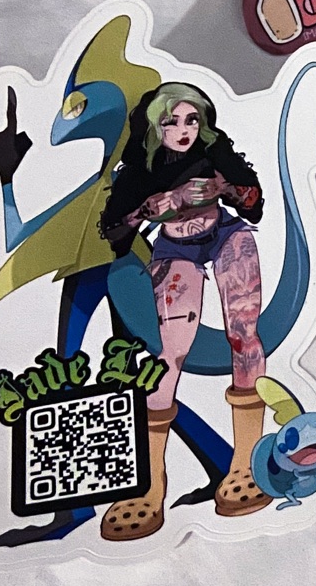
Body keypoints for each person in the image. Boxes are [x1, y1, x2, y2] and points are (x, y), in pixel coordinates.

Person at [98, 83, 270, 539]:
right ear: (154, 125)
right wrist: (151, 208)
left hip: (226, 235)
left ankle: (246, 462)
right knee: (169, 353)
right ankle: (150, 484)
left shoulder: (214, 151)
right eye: (171, 121)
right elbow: (113, 233)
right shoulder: (140, 169)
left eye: (192, 119)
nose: (183, 129)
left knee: (244, 332)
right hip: (175, 249)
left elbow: (254, 203)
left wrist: (224, 188)